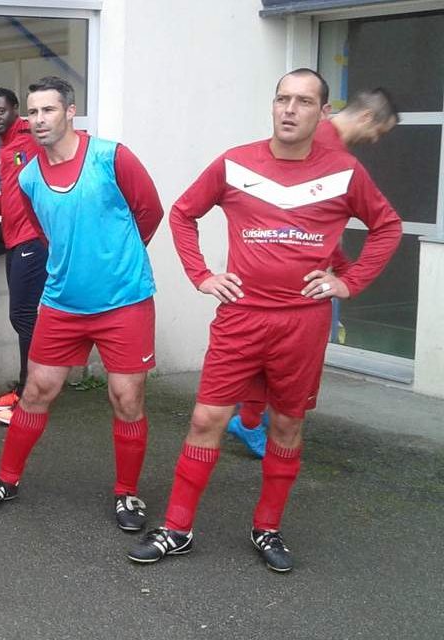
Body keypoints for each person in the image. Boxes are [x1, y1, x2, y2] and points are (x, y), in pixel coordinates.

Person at [130, 69, 402, 573]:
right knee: (206, 419)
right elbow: (184, 213)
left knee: (287, 425)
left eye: (303, 101)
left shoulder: (344, 171)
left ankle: (267, 527)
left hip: (303, 323)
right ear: (273, 105)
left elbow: (388, 227)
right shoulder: (236, 162)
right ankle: (177, 528)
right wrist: (202, 275)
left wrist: (349, 281)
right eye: (282, 99)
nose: (290, 109)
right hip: (241, 318)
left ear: (322, 113)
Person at [0, 77, 163, 535]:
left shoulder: (112, 157)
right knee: (37, 392)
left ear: (71, 112)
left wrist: (117, 259)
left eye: (48, 111)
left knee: (127, 398)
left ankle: (127, 493)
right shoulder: (30, 175)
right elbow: (39, 226)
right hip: (62, 302)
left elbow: (148, 212)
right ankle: (6, 479)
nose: (38, 120)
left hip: (124, 301)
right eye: (33, 112)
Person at [228, 87, 400, 458]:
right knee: (288, 360)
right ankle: (252, 422)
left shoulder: (325, 139)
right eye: (380, 132)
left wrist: (343, 270)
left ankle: (250, 419)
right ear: (368, 118)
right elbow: (301, 224)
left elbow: (310, 222)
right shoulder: (328, 148)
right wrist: (346, 277)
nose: (376, 140)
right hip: (300, 287)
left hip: (295, 280)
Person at [0, 88, 47, 425]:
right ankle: (24, 390)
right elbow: (17, 195)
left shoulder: (30, 136)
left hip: (34, 238)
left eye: (0, 111)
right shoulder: (6, 147)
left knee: (24, 317)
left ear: (15, 109)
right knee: (22, 319)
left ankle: (30, 399)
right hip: (13, 238)